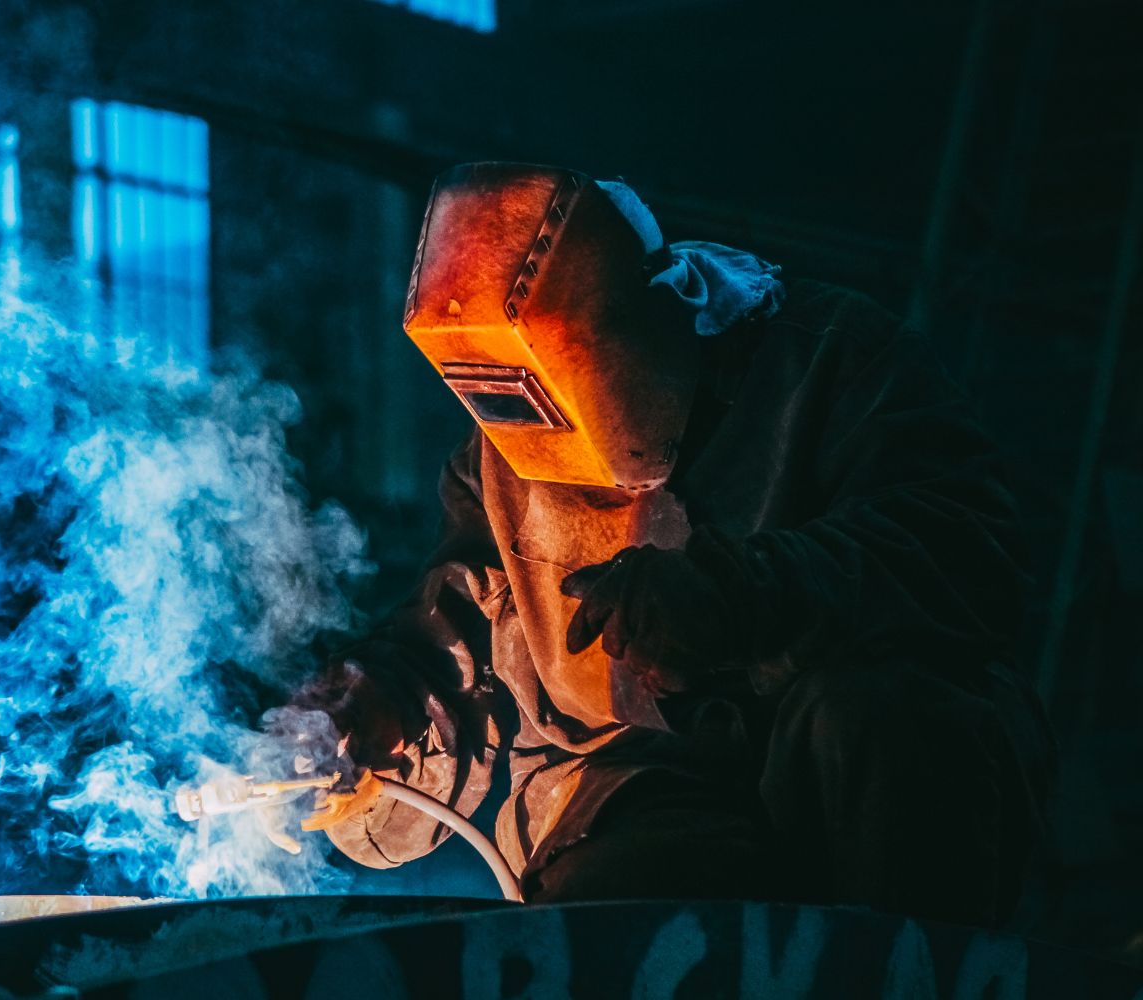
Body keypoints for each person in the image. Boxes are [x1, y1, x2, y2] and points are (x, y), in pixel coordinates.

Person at [295, 162, 1053, 927]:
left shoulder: (832, 359)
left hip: (839, 756)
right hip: (643, 781)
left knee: (878, 721)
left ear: (649, 318)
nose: (544, 440)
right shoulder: (500, 450)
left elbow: (967, 547)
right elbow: (460, 645)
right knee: (617, 914)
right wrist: (372, 715)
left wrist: (744, 597)